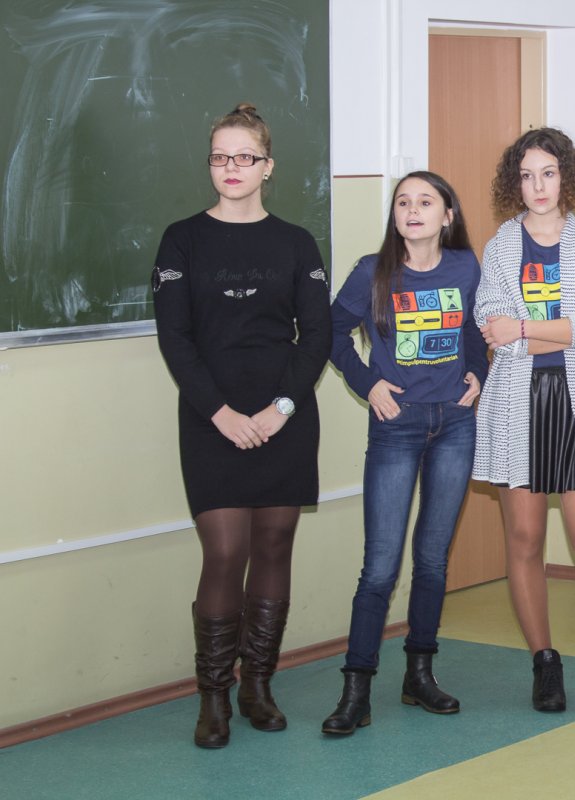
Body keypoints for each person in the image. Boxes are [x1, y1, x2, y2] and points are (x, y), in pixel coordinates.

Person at [152, 103, 332, 749]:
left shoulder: (297, 242)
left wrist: (280, 410)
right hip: (212, 417)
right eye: (220, 157)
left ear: (267, 166)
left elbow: (317, 336)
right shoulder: (181, 240)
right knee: (226, 552)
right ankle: (213, 697)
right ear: (210, 164)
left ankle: (257, 684)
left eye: (245, 157)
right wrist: (222, 414)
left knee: (275, 547)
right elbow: (175, 339)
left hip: (283, 416)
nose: (232, 168)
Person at [473, 127, 575, 718]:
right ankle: (545, 664)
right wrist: (566, 332)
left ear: (567, 176)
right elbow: (493, 329)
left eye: (548, 172)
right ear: (514, 184)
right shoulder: (500, 248)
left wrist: (525, 329)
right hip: (518, 404)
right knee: (525, 541)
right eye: (526, 176)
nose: (538, 186)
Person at [320, 171, 487, 735]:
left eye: (425, 202)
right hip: (396, 428)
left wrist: (478, 372)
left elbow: (472, 331)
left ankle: (419, 675)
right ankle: (356, 690)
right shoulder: (372, 272)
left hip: (455, 425)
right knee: (380, 567)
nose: (412, 211)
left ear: (447, 216)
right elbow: (331, 334)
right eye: (402, 202)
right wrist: (368, 383)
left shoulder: (465, 267)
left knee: (433, 559)